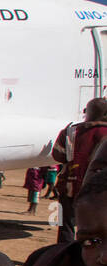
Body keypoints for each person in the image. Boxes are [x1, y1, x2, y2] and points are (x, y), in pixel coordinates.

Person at [51, 97, 107, 243]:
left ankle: (65, 257)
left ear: (87, 112)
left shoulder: (71, 131)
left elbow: (57, 155)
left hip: (70, 187)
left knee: (66, 226)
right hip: (100, 190)